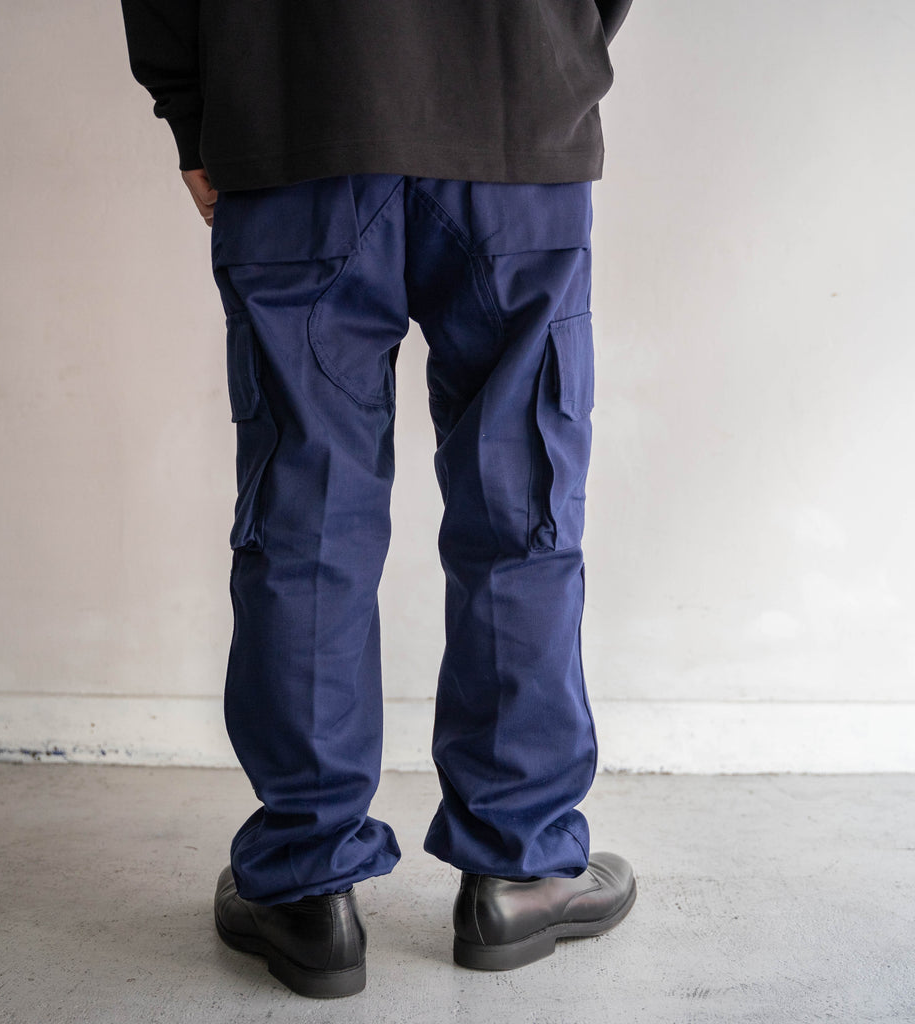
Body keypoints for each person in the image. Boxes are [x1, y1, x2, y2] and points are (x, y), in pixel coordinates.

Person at [121, 0, 636, 999]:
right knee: (520, 510)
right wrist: (545, 45)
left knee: (306, 516)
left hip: (292, 118)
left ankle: (306, 888)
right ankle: (519, 868)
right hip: (512, 116)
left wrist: (194, 112)